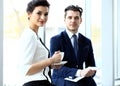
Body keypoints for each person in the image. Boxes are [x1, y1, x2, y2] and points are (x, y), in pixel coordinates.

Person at [50, 5, 97, 86]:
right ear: (64, 20)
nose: (73, 20)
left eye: (76, 18)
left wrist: (90, 72)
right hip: (61, 79)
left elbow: (91, 65)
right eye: (70, 17)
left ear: (80, 20)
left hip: (80, 78)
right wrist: (79, 72)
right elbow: (57, 68)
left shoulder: (87, 41)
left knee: (92, 83)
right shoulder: (56, 40)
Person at [18, 0, 62, 86]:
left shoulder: (35, 36)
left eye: (46, 14)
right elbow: (25, 69)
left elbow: (35, 63)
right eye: (39, 13)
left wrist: (51, 65)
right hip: (35, 83)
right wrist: (51, 60)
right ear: (29, 14)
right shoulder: (29, 36)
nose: (43, 17)